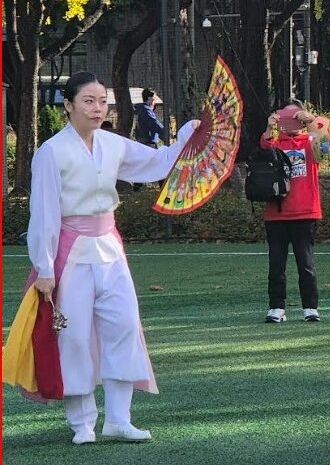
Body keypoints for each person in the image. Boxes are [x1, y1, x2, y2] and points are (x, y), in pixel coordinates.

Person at [19, 72, 198, 444]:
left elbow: (157, 162)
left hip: (110, 249)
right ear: (68, 105)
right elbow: (45, 213)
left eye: (102, 101)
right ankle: (82, 423)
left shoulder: (112, 143)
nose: (97, 108)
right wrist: (45, 267)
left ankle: (119, 419)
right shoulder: (52, 151)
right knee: (74, 336)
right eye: (88, 101)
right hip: (70, 252)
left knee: (124, 326)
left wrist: (186, 136)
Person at [260, 100, 330, 323]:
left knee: (306, 263)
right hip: (276, 214)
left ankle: (310, 307)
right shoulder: (275, 143)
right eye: (287, 116)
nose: (292, 121)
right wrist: (270, 127)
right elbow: (263, 150)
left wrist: (312, 120)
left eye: (296, 116)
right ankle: (276, 307)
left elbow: (326, 144)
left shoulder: (309, 142)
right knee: (276, 265)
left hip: (305, 213)